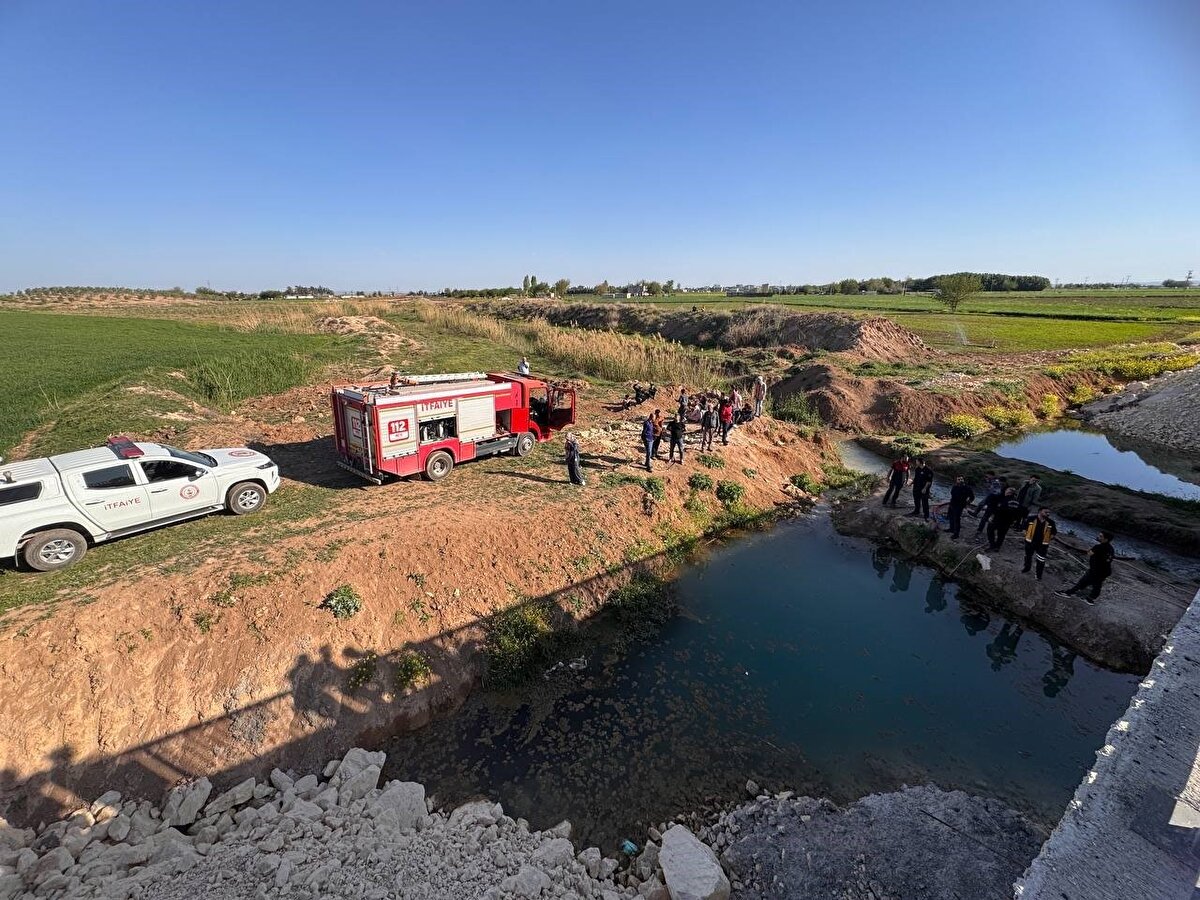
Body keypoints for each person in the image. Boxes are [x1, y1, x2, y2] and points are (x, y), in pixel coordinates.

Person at [1057, 531, 1115, 604]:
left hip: (1096, 571)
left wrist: (1090, 550)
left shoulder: (1098, 547)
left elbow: (1089, 553)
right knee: (1096, 585)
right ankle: (1090, 599)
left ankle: (1068, 593)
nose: (1098, 537)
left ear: (1106, 539)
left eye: (1101, 536)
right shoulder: (1111, 549)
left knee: (1083, 582)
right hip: (1105, 571)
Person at [1021, 507, 1058, 580]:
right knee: (1028, 556)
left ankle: (1038, 575)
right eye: (1046, 512)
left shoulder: (1051, 522)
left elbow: (1054, 532)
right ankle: (1027, 568)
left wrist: (1050, 538)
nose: (1048, 514)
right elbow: (1024, 527)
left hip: (1042, 545)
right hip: (1030, 542)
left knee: (1041, 560)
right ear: (1040, 511)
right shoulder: (1031, 518)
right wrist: (1025, 534)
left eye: (1049, 513)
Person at [947, 476, 975, 540]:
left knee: (957, 519)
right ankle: (951, 529)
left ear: (963, 480)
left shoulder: (967, 488)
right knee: (951, 517)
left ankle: (956, 534)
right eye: (958, 479)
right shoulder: (955, 487)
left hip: (959, 506)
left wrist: (967, 503)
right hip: (952, 504)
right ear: (956, 480)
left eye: (961, 479)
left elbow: (972, 497)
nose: (960, 480)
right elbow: (952, 494)